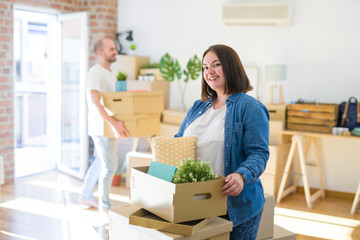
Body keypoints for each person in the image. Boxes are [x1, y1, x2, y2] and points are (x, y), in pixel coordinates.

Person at [175, 44, 269, 240]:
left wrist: (241, 176)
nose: (209, 71)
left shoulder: (251, 107)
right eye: (205, 67)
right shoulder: (197, 107)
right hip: (197, 203)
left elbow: (259, 153)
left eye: (216, 65)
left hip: (234, 206)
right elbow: (178, 142)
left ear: (231, 67)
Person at [79, 38, 129, 213]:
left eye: (115, 48)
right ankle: (105, 207)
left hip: (107, 125)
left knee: (102, 162)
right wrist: (114, 123)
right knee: (110, 166)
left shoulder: (110, 72)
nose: (115, 51)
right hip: (101, 126)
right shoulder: (95, 73)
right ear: (101, 53)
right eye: (111, 49)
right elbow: (95, 103)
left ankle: (85, 196)